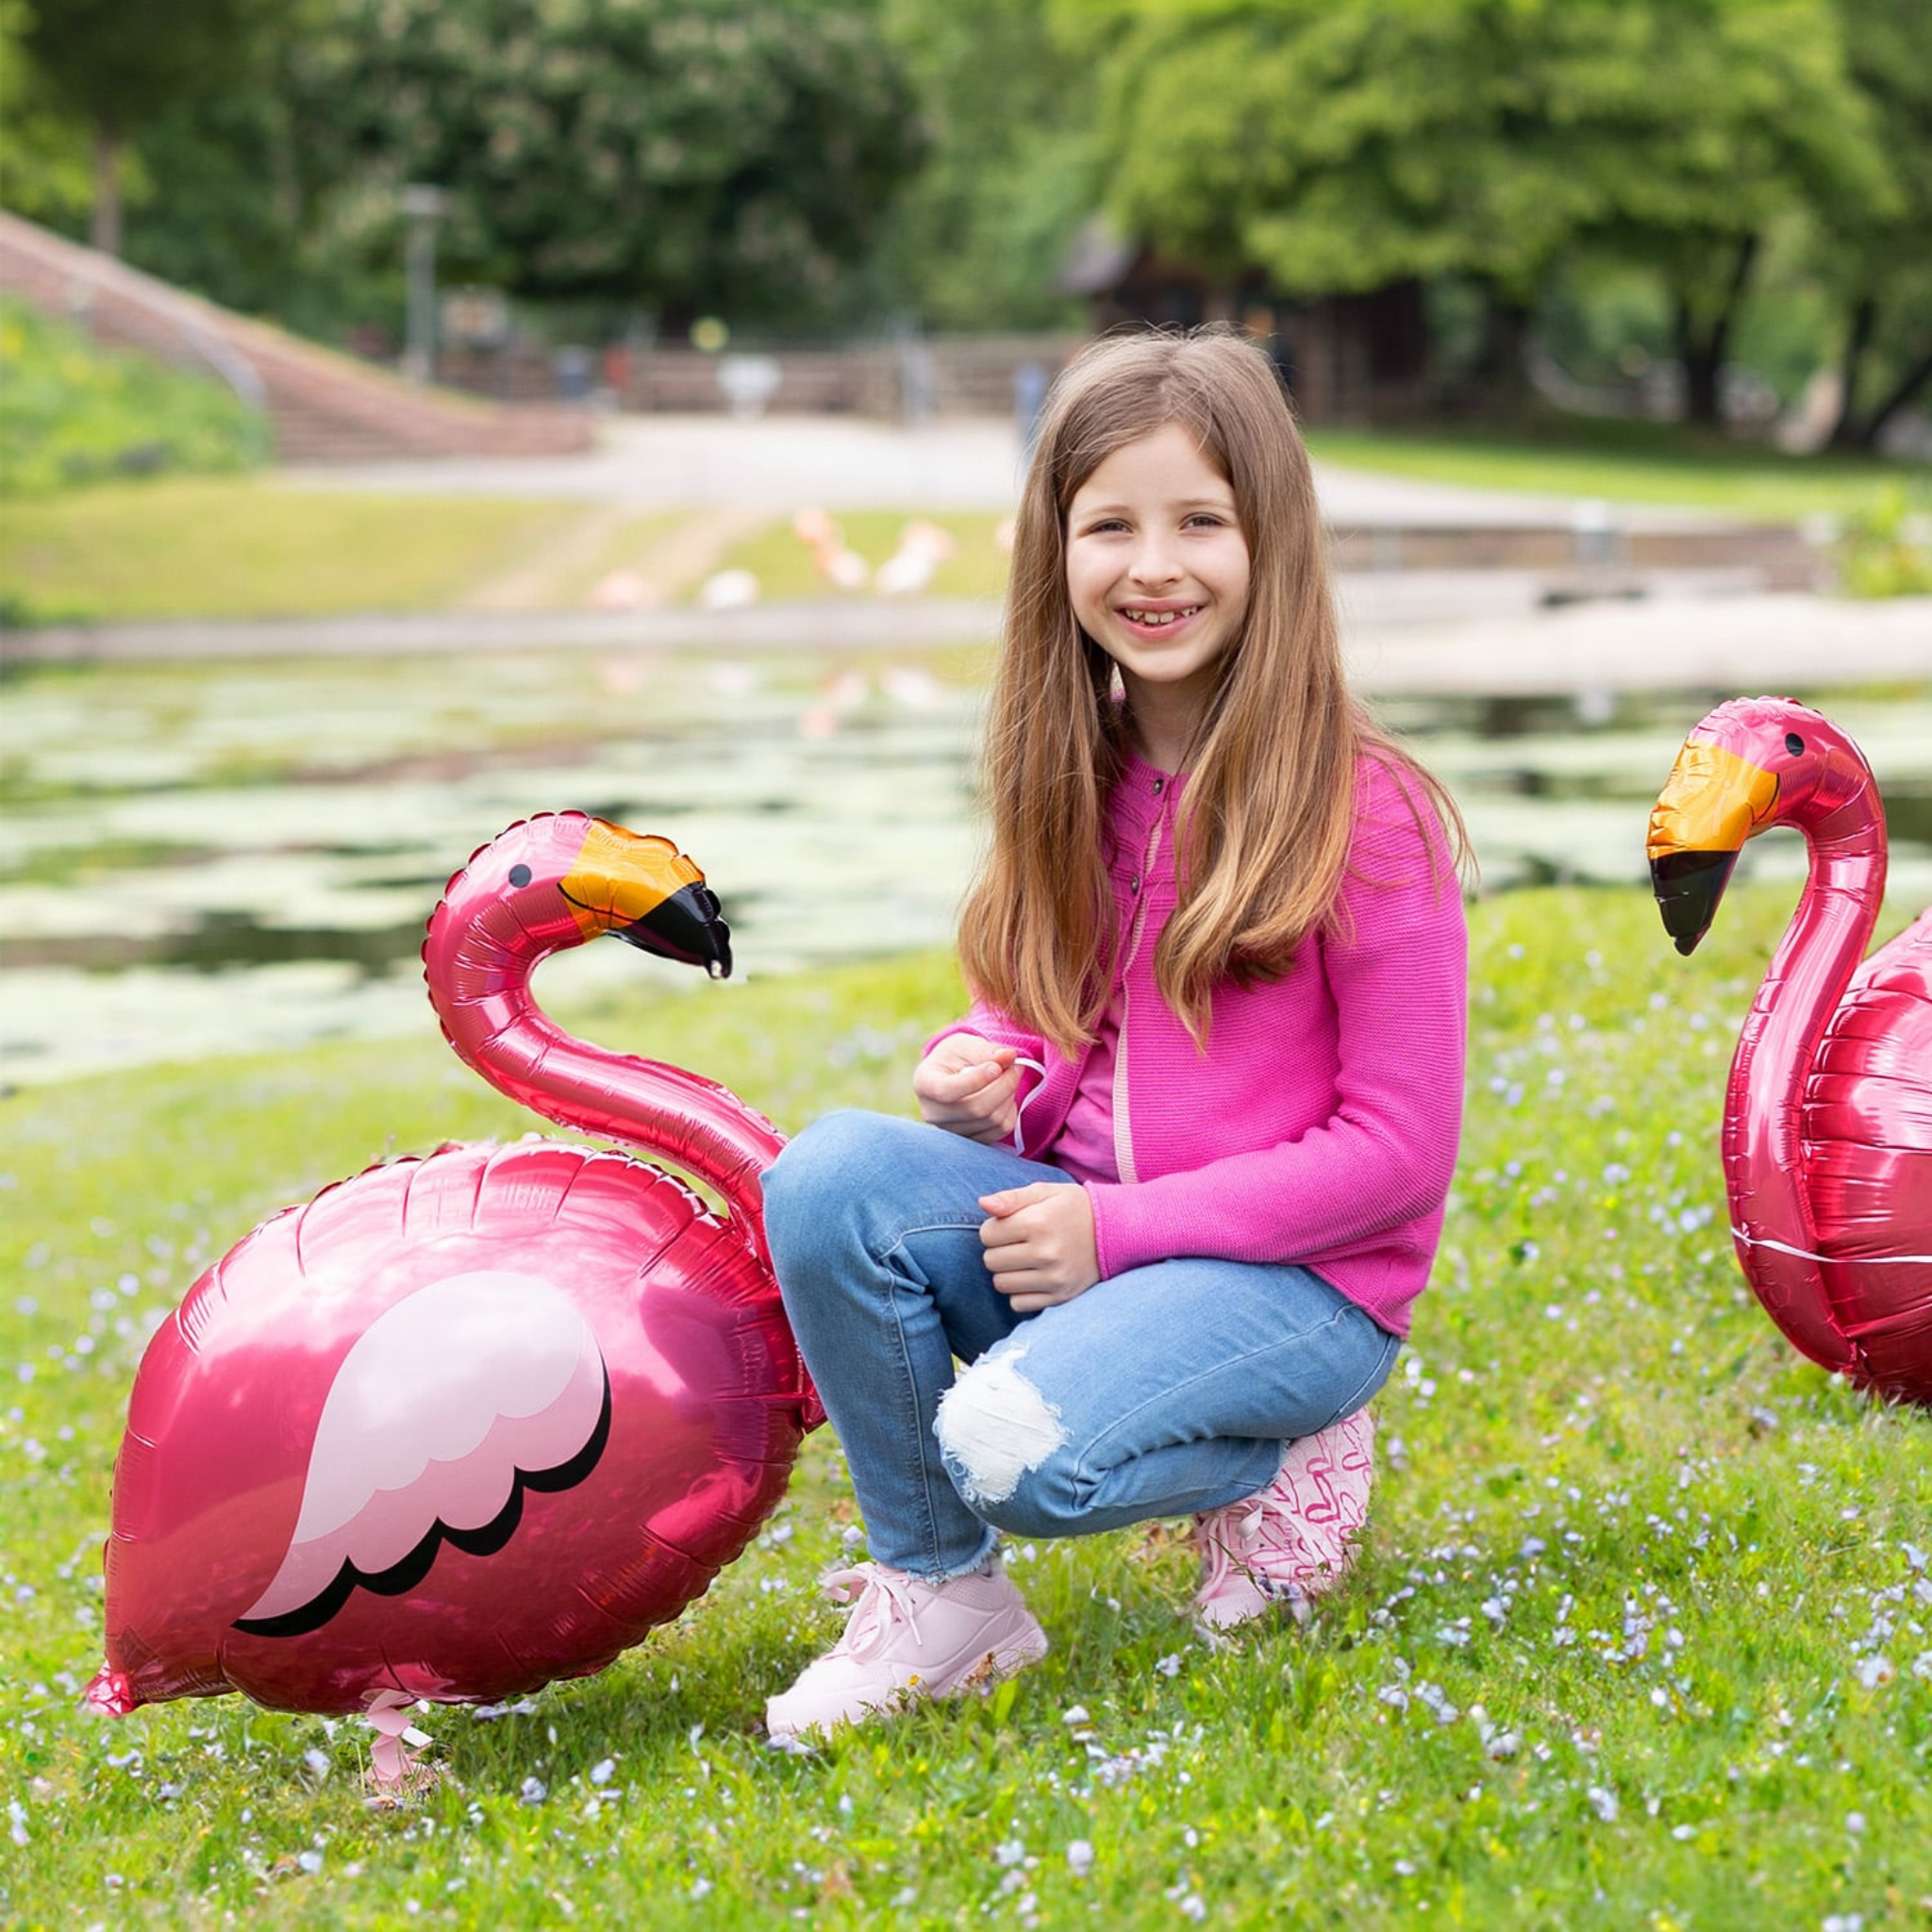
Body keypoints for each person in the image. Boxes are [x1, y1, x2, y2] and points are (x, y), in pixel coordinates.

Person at [759, 326, 1470, 1743]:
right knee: (829, 1179)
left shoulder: (1365, 812)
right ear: (1058, 554)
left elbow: (1394, 1156)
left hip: (1297, 1286)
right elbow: (1046, 1019)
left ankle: (1285, 1462)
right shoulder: (1074, 783)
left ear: (1270, 539)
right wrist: (992, 1083)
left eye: (1200, 520)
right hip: (1099, 1243)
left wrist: (1119, 1234)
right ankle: (943, 1599)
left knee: (1007, 1447)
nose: (1156, 567)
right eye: (1112, 526)